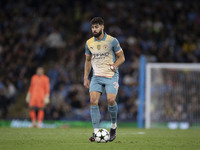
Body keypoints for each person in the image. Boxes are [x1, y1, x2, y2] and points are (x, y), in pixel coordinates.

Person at [84, 17, 125, 142]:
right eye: (92, 27)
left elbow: (122, 57)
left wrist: (114, 65)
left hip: (111, 75)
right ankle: (96, 132)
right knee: (93, 101)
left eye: (96, 27)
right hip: (96, 76)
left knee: (111, 100)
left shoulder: (112, 41)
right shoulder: (89, 43)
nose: (94, 29)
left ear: (102, 27)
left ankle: (113, 126)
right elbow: (88, 60)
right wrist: (86, 77)